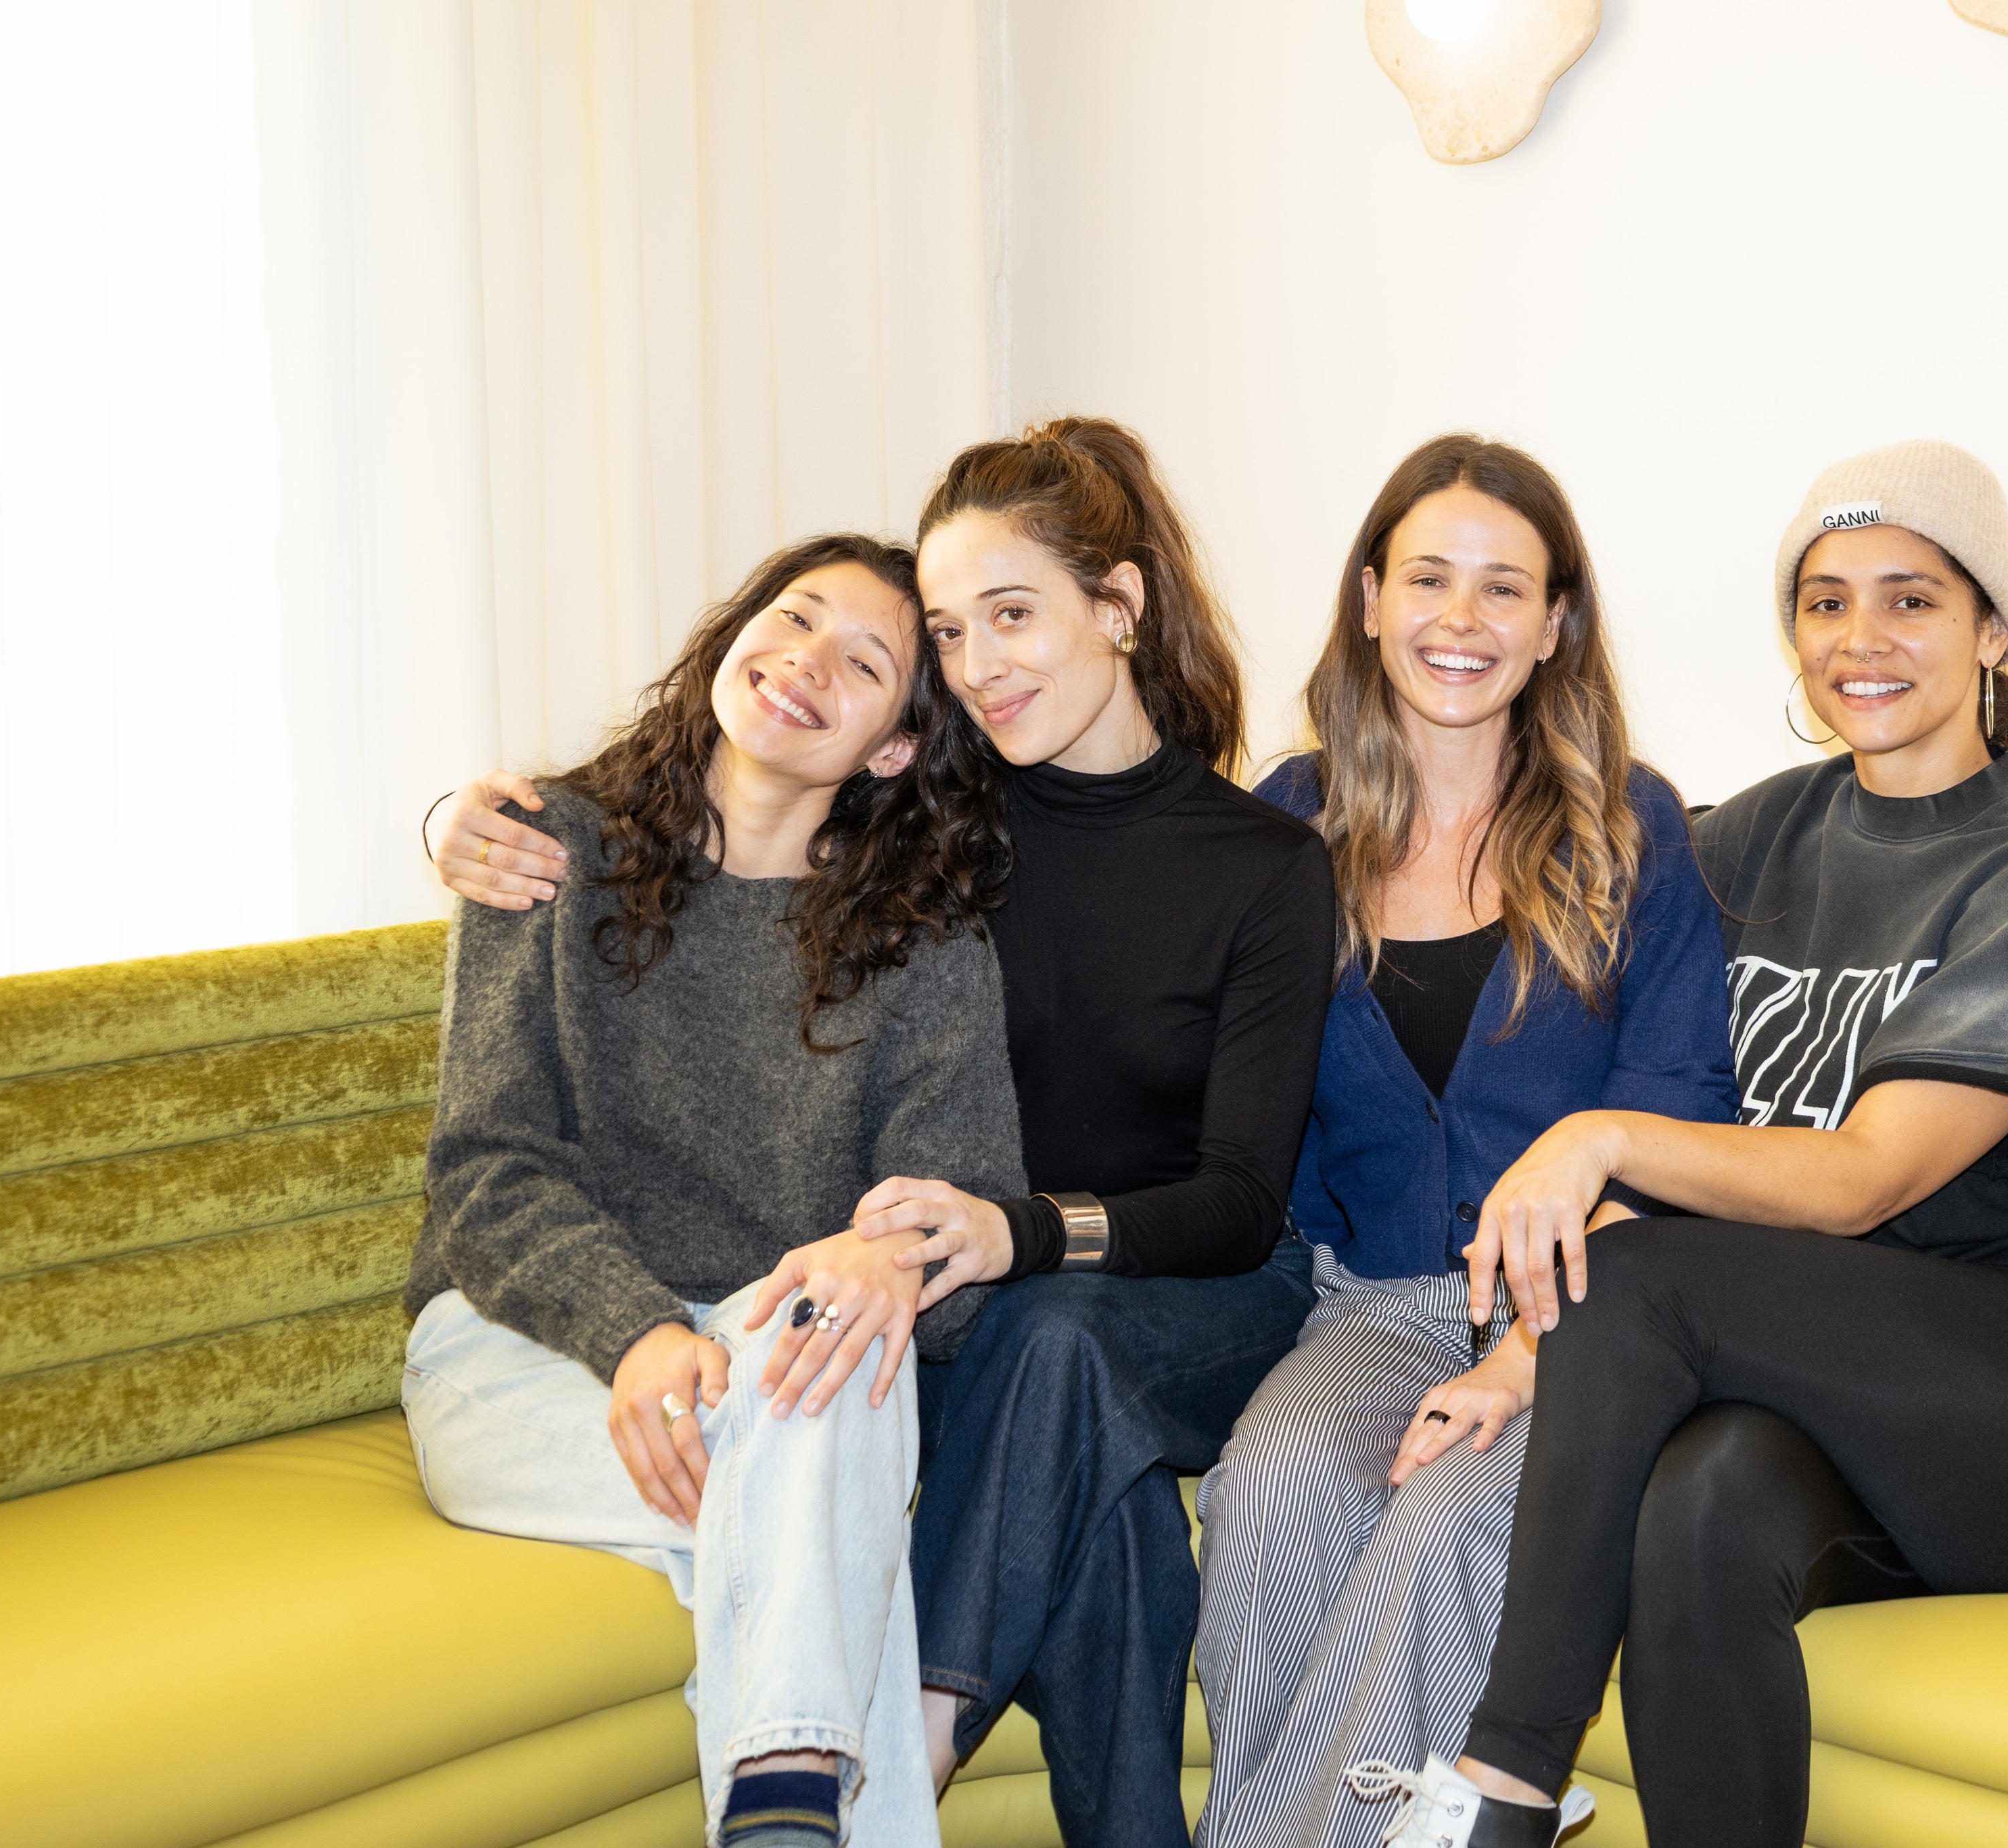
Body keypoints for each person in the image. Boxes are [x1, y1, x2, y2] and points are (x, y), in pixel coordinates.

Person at [427, 419, 1335, 1848]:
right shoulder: (944, 839)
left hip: (1167, 1277)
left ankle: (889, 1748)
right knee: (1084, 1461)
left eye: (1014, 615)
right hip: (967, 1293)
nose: (983, 664)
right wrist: (463, 821)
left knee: (1055, 1345)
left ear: (1121, 604)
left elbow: (1237, 1197)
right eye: (957, 634)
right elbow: (697, 848)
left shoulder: (1264, 865)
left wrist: (1016, 1231)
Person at [1353, 440, 2008, 1848]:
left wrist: (1593, 1142)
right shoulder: (1753, 840)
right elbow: (1618, 1023)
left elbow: (1864, 1177)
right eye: (1824, 603)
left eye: (1911, 600)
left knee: (1646, 1276)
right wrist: (1524, 1354)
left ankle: (1505, 1782)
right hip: (1854, 1401)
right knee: (1698, 1511)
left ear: (1991, 630)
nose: (1860, 640)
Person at [400, 533, 1023, 1848]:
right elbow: (486, 1167)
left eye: (860, 662)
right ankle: (798, 1797)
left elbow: (957, 1237)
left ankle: (779, 1804)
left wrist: (891, 1259)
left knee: (832, 1349)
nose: (804, 660)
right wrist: (638, 1333)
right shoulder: (545, 851)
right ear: (732, 632)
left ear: (895, 747)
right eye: (790, 619)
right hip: (517, 1351)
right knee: (819, 1459)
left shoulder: (925, 947)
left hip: (762, 1366)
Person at [1192, 435, 1737, 1848]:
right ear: (1369, 597)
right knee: (1268, 1490)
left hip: (1593, 1320)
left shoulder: (1634, 829)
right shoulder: (1287, 824)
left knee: (1441, 1528)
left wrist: (1520, 1358)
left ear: (1556, 624)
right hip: (1367, 1304)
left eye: (1506, 587)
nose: (1460, 617)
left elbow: (1680, 1117)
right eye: (1428, 577)